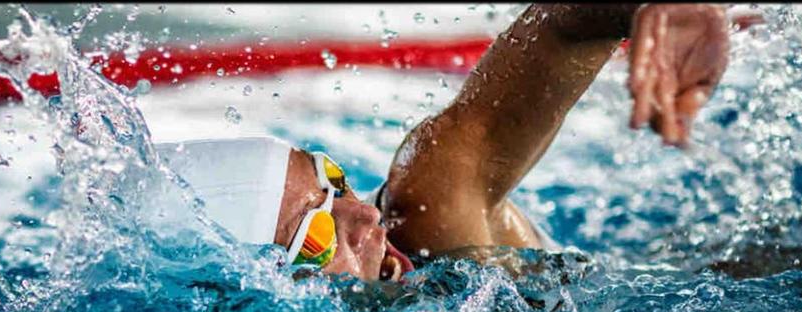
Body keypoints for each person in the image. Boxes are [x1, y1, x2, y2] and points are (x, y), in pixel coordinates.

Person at [156, 4, 733, 282]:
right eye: (318, 231)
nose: (366, 217)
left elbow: (562, 30)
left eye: (333, 182)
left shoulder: (427, 211)